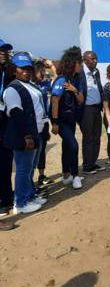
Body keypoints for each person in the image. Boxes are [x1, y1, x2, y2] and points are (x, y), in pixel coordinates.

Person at [3, 52, 48, 214]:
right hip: (24, 135)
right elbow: (16, 114)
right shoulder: (12, 89)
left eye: (28, 68)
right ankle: (20, 203)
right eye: (22, 68)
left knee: (30, 168)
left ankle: (30, 195)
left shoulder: (30, 85)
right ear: (14, 70)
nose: (26, 71)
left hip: (36, 133)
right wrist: (27, 137)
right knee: (23, 169)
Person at [50, 46, 84, 189]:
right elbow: (54, 101)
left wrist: (75, 90)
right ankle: (75, 176)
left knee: (67, 146)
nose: (81, 65)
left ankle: (66, 175)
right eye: (79, 63)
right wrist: (55, 123)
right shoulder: (61, 80)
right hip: (61, 120)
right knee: (73, 145)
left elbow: (81, 99)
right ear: (72, 64)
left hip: (71, 119)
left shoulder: (75, 80)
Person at [79, 51, 105, 174]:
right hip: (86, 110)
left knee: (97, 136)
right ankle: (87, 166)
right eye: (92, 59)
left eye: (96, 58)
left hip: (96, 108)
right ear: (85, 60)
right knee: (88, 137)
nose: (95, 61)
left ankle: (93, 162)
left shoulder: (96, 71)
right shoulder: (81, 72)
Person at [32, 59, 57, 187]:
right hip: (33, 123)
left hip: (44, 121)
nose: (42, 73)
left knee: (42, 150)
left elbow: (56, 80)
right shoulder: (29, 85)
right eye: (39, 71)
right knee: (33, 151)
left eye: (43, 70)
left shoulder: (45, 84)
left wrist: (52, 66)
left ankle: (41, 176)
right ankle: (29, 180)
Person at [0, 39, 15, 220]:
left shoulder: (7, 71)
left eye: (5, 50)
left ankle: (6, 197)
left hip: (5, 122)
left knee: (6, 160)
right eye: (0, 50)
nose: (4, 52)